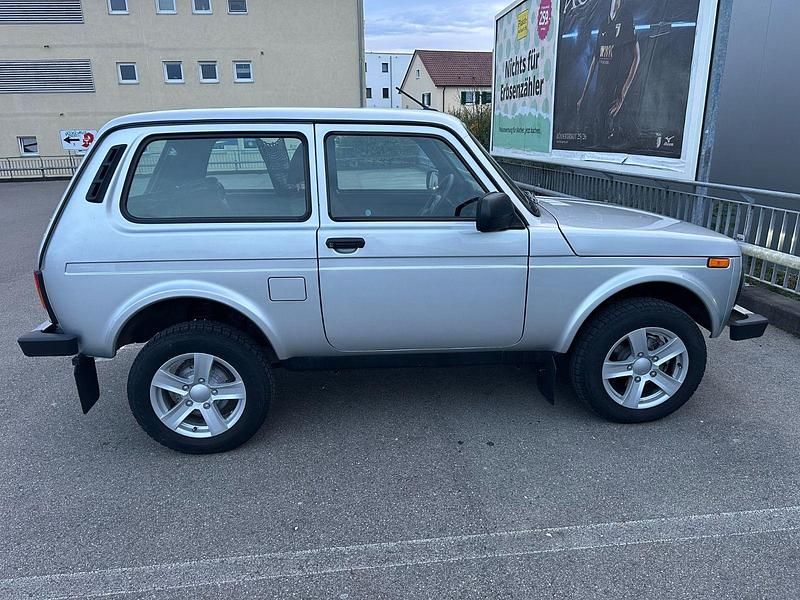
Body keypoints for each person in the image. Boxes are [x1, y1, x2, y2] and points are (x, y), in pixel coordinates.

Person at [576, 0, 641, 147]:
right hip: (601, 93)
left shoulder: (626, 17)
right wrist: (583, 96)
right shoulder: (603, 24)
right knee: (598, 138)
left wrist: (622, 95)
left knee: (614, 143)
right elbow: (595, 60)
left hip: (616, 94)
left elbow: (637, 57)